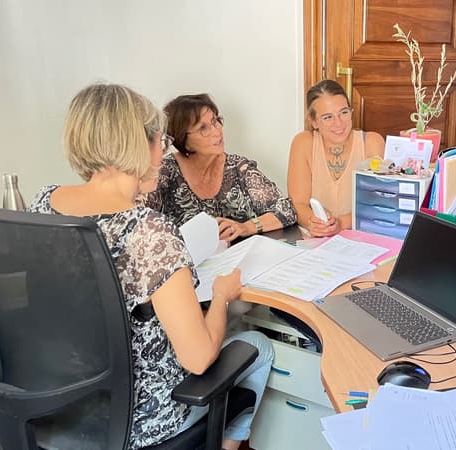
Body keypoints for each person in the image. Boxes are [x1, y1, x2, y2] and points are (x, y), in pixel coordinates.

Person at [29, 83, 273, 450]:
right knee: (259, 345)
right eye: (161, 142)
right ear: (138, 145)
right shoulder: (149, 232)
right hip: (142, 423)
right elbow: (199, 359)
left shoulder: (45, 202)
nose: (164, 153)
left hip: (63, 407)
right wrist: (222, 296)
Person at [141, 93, 296, 242]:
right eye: (203, 128)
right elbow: (140, 225)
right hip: (191, 265)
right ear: (183, 139)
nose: (217, 132)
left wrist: (245, 227)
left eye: (215, 121)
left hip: (241, 260)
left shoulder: (238, 168)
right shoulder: (165, 172)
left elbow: (286, 210)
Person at [288, 79, 385, 237]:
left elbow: (377, 204)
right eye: (327, 117)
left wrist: (341, 224)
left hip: (362, 237)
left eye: (344, 112)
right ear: (313, 122)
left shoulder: (372, 142)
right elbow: (298, 204)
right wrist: (315, 223)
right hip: (315, 239)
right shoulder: (303, 143)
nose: (338, 123)